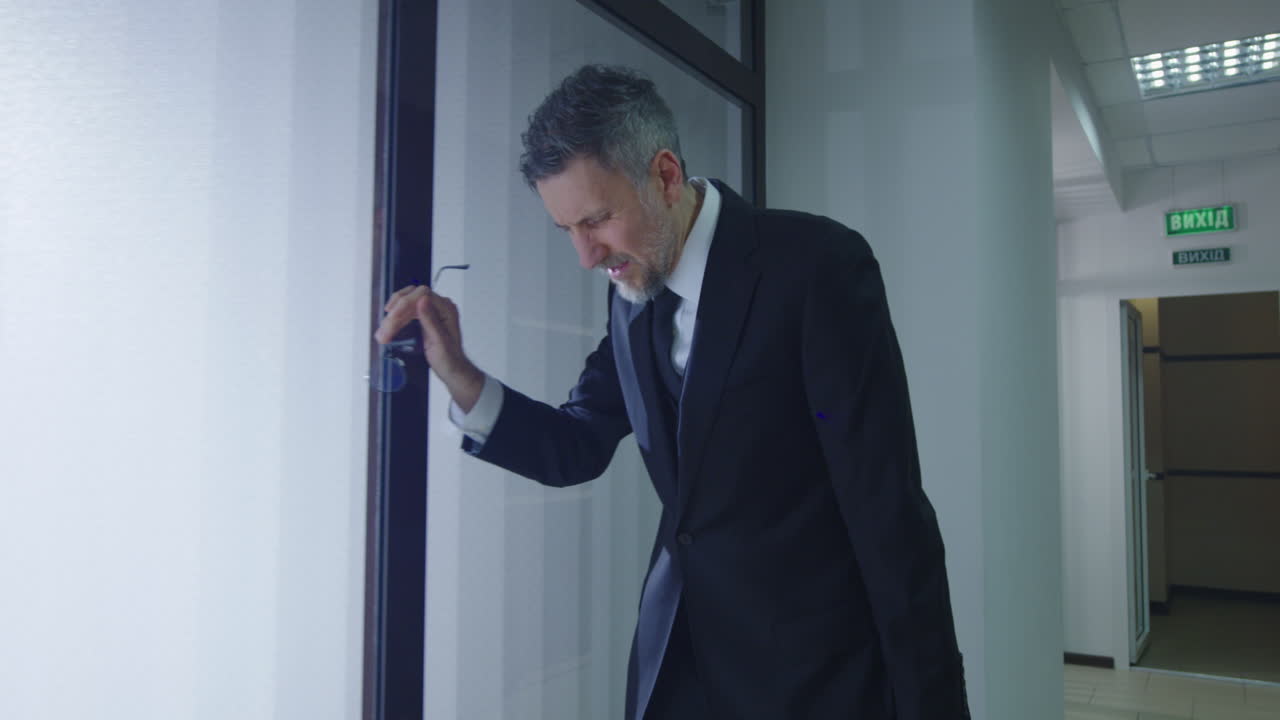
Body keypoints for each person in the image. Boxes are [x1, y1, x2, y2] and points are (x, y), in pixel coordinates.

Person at [375, 64, 970, 719]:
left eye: (596, 220)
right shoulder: (632, 295)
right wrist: (458, 370)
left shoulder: (815, 266)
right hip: (682, 672)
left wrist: (932, 706)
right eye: (566, 230)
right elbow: (579, 442)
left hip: (818, 678)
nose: (585, 255)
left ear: (663, 175)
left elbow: (886, 508)